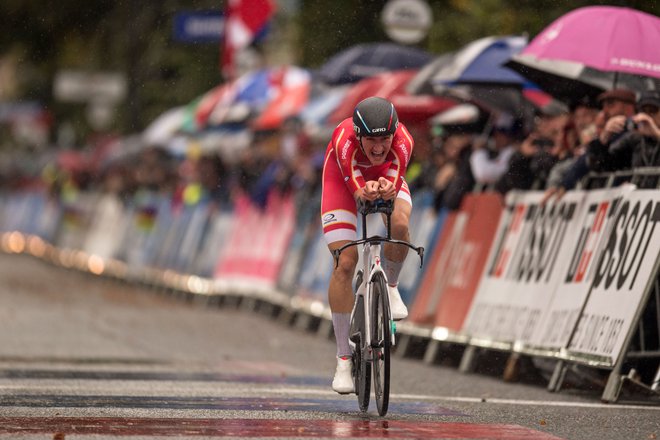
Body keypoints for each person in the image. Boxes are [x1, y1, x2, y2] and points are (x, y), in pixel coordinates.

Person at [320, 96, 414, 394]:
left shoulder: (404, 141)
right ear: (358, 135)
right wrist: (365, 190)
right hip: (342, 181)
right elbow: (357, 191)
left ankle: (392, 286)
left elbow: (395, 178)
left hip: (385, 178)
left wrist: (386, 187)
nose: (378, 148)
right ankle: (343, 358)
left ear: (394, 133)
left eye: (384, 139)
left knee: (398, 224)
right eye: (371, 140)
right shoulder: (343, 139)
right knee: (345, 262)